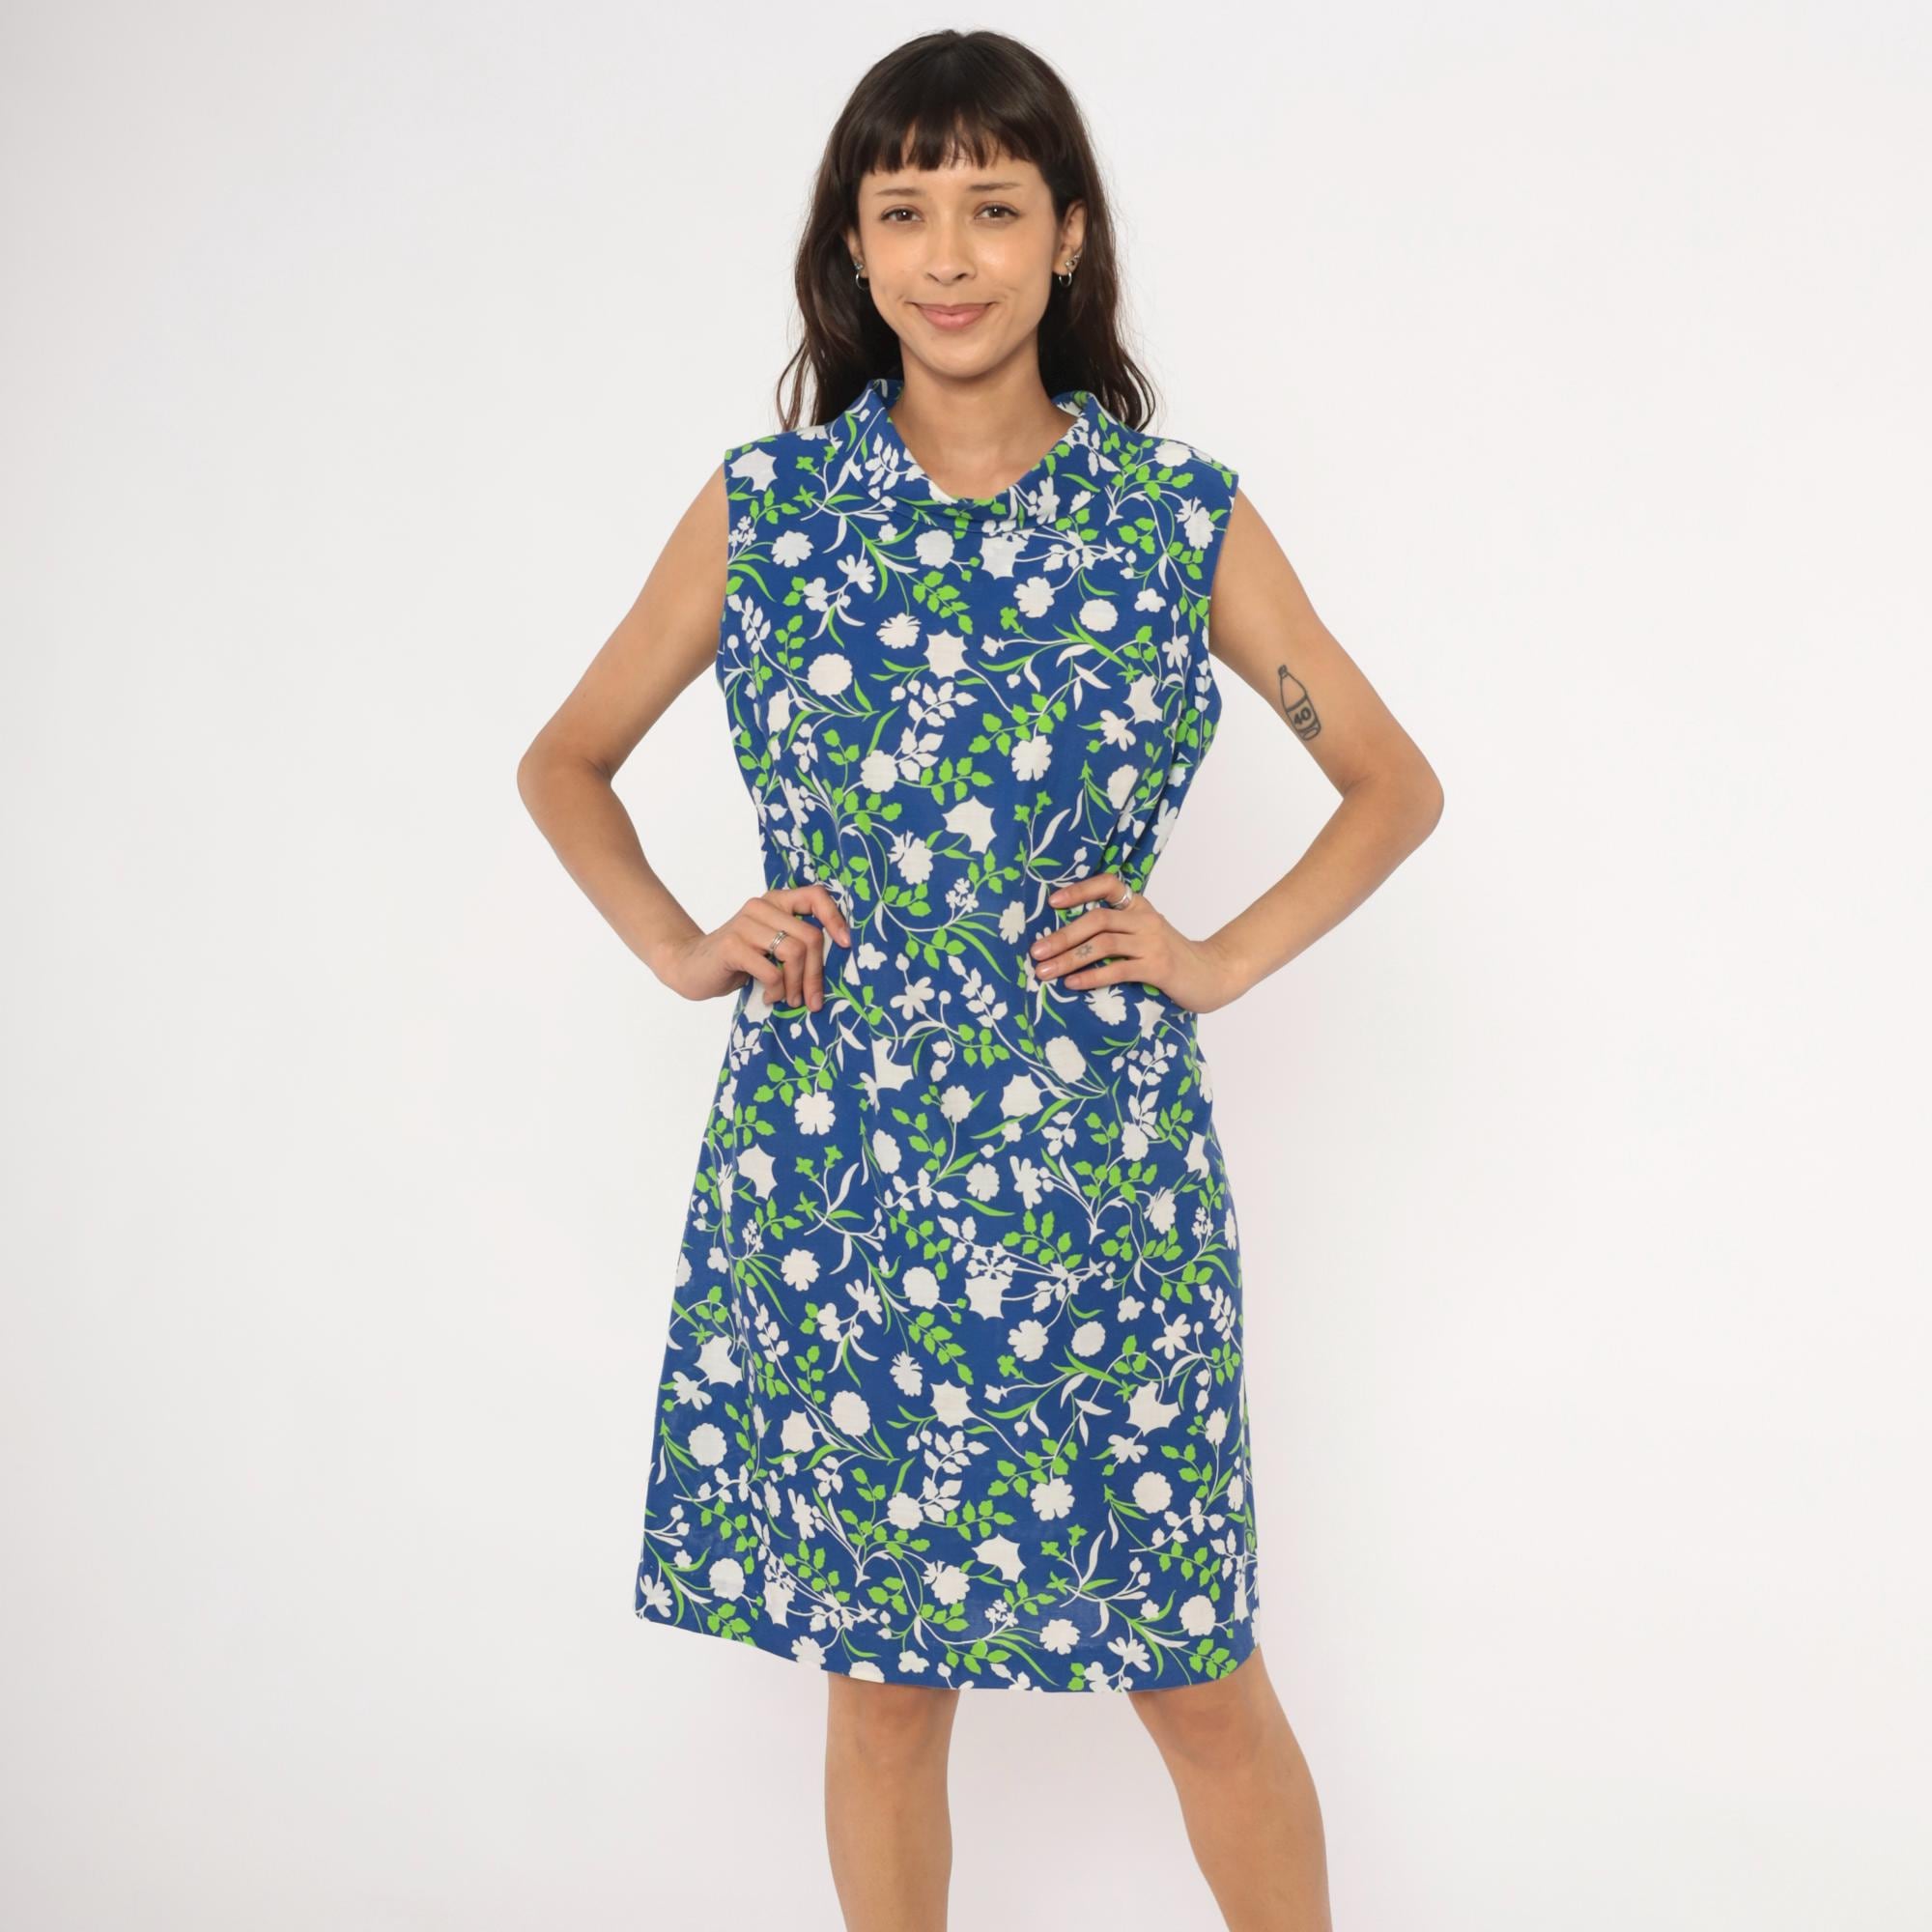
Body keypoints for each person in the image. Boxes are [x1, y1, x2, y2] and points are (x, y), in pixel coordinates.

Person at [518, 28, 1441, 1932]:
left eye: (995, 208)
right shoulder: (767, 514)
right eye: (906, 210)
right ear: (852, 249)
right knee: (881, 1686)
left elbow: (1388, 782)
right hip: (835, 1175)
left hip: (1098, 1187)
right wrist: (685, 941)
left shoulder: (1170, 520)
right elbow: (566, 760)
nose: (950, 255)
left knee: (1194, 1667)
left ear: (1068, 236)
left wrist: (1213, 958)